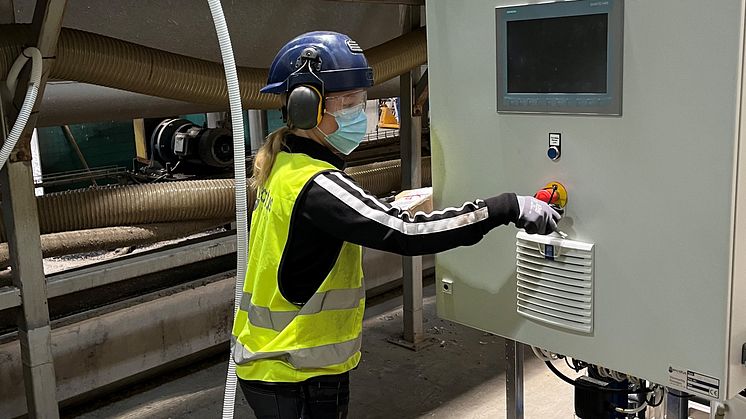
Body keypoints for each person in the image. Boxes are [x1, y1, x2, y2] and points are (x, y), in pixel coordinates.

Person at [231, 31, 561, 419]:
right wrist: (505, 207)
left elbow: (343, 219)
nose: (360, 112)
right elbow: (404, 234)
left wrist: (395, 206)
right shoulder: (318, 184)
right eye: (350, 103)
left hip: (275, 365)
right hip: (294, 372)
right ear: (308, 107)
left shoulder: (284, 164)